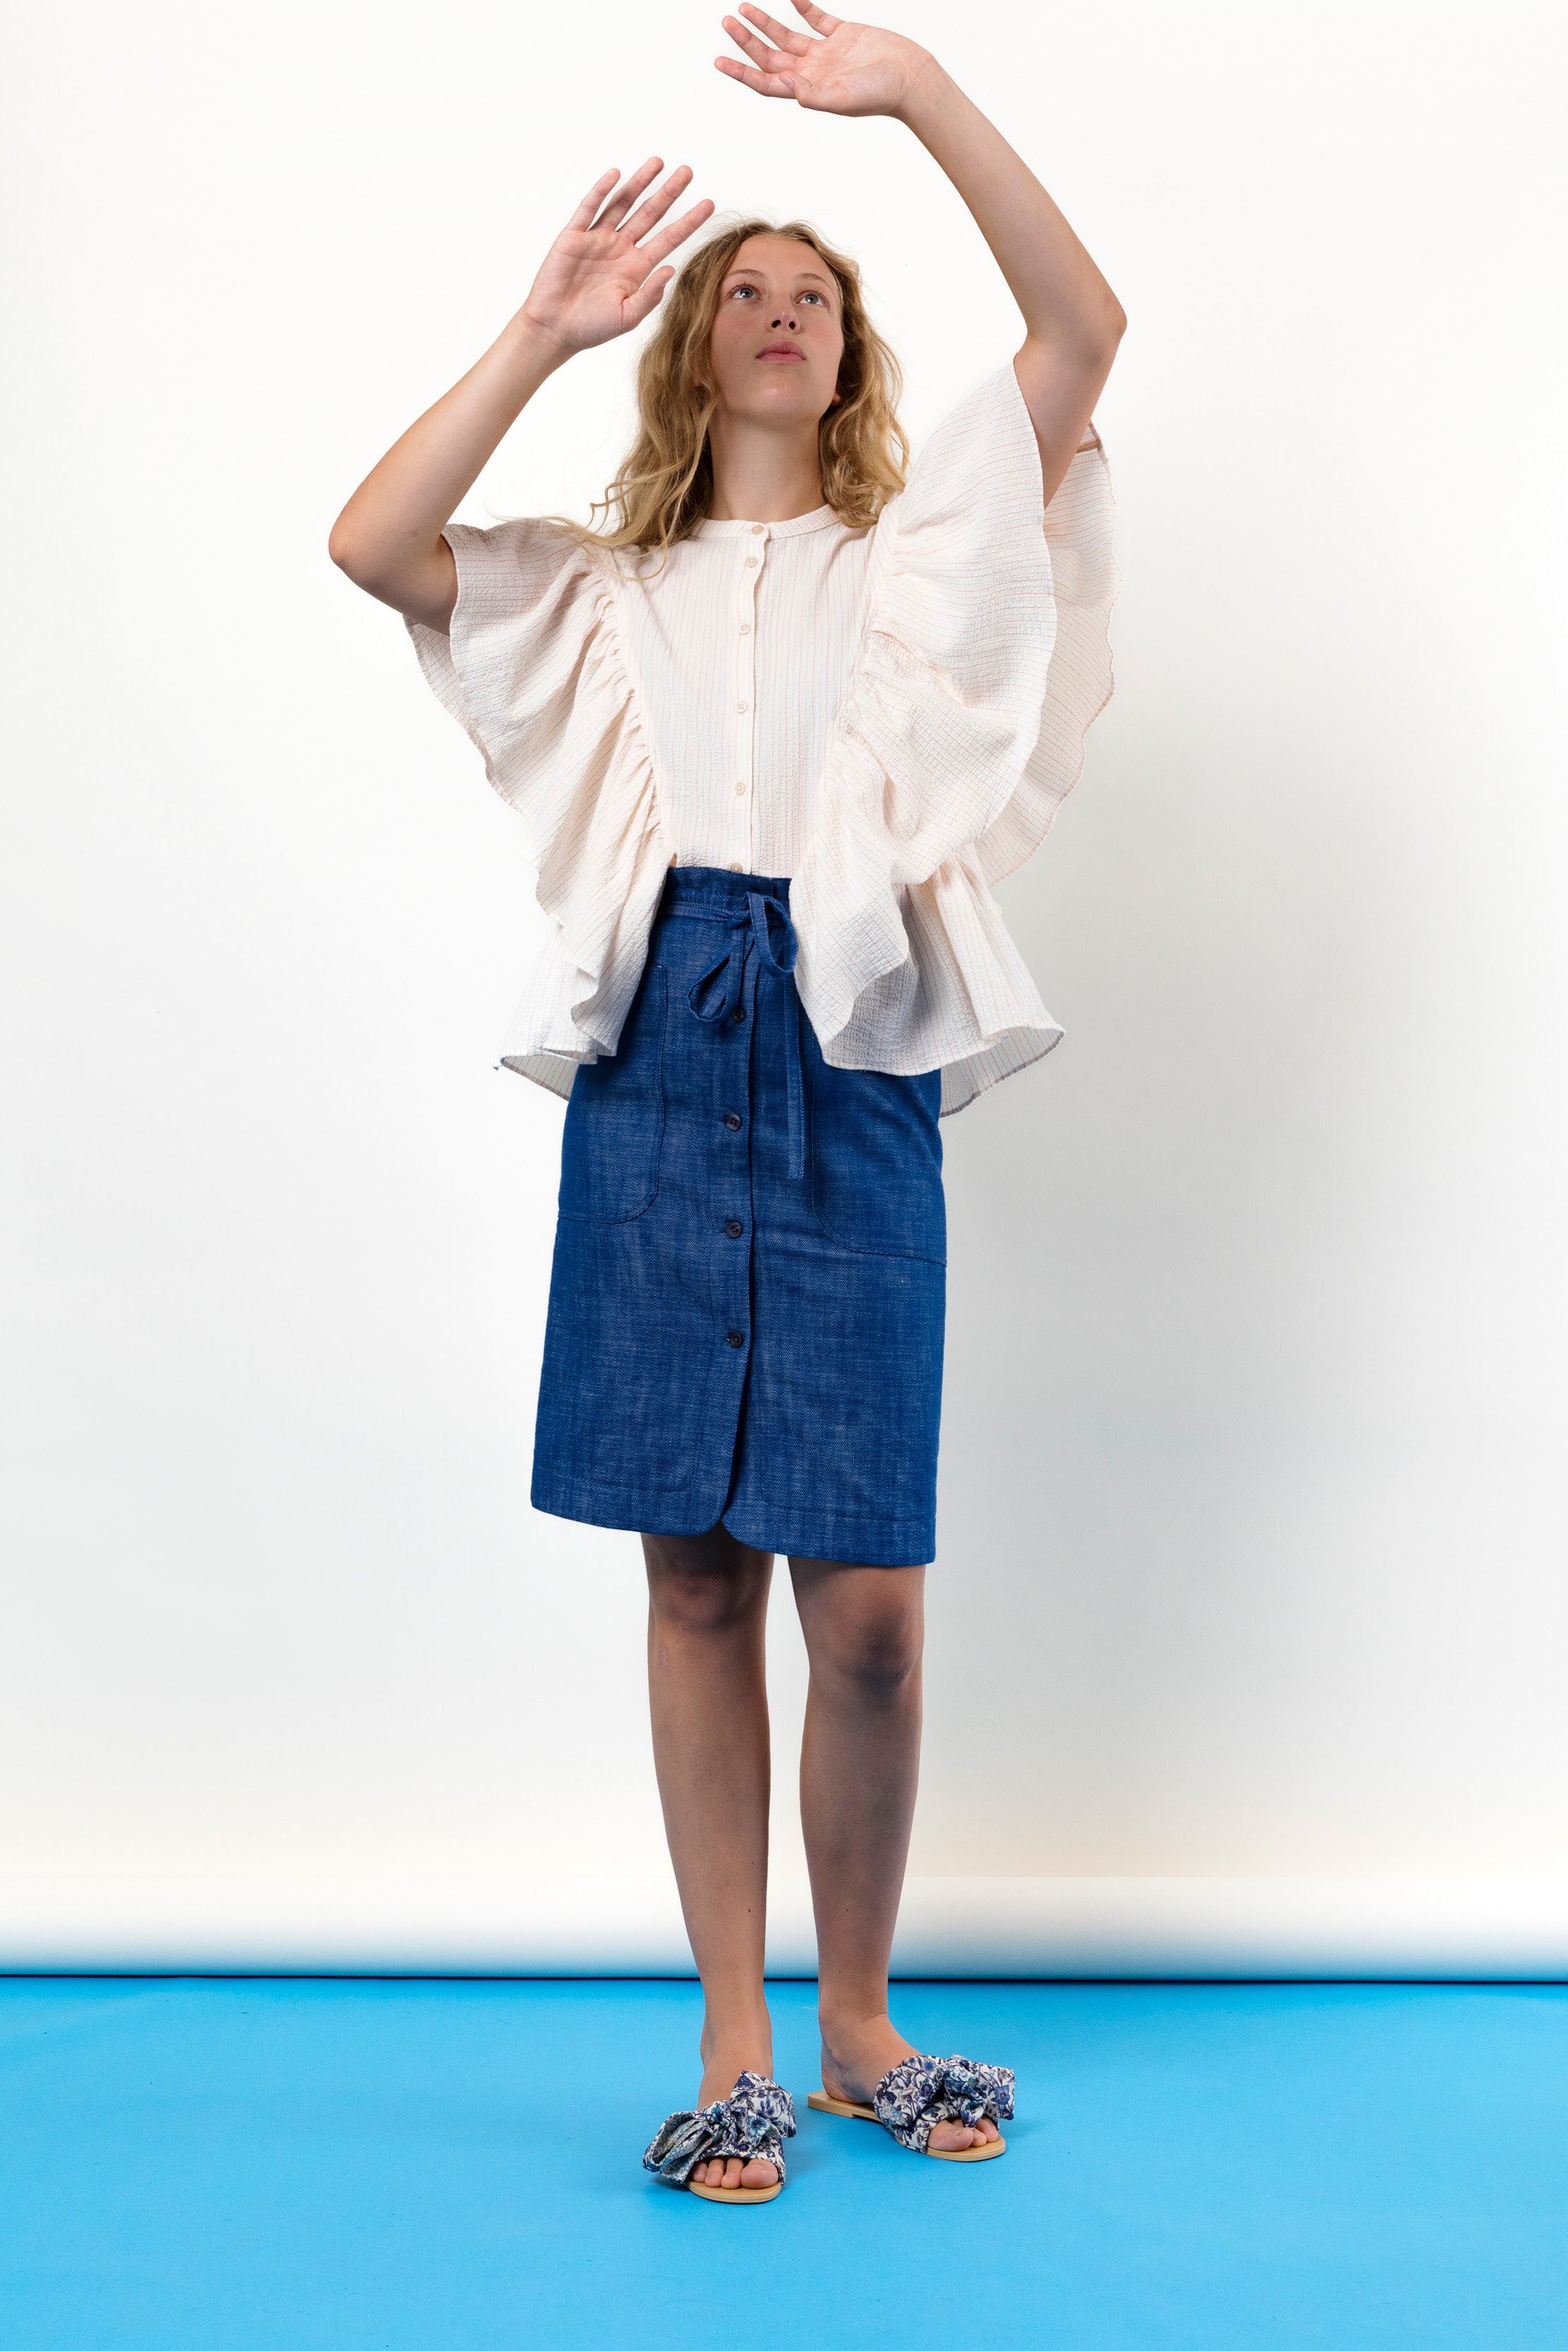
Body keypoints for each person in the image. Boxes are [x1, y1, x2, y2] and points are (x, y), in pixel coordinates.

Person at [329, 1, 1122, 2206]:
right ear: (693, 354)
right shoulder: (599, 587)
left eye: (813, 297)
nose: (777, 312)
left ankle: (862, 2012)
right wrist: (538, 327)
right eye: (738, 296)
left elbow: (1083, 325)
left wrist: (921, 96)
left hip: (852, 1036)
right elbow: (370, 542)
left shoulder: (926, 556)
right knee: (695, 1572)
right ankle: (736, 2029)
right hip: (666, 1027)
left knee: (865, 1590)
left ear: (850, 360)